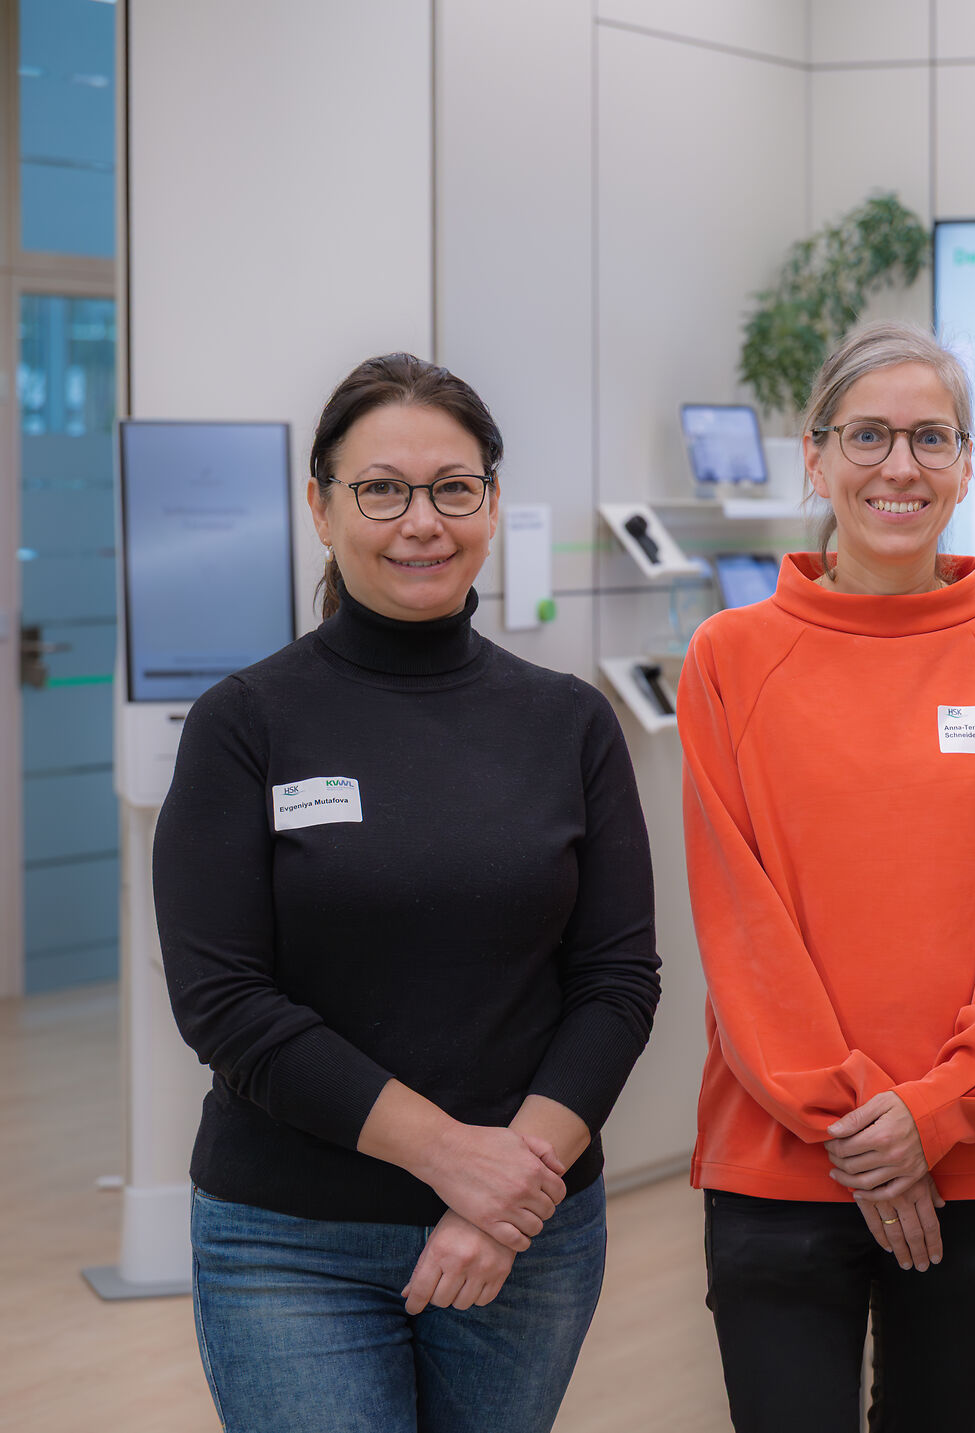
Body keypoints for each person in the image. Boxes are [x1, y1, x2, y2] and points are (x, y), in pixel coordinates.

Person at [156, 353, 662, 1433]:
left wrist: (508, 1190)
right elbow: (225, 1002)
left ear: (489, 500)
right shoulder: (245, 723)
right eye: (381, 488)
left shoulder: (566, 723)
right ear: (320, 506)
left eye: (453, 487)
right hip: (290, 1236)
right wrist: (458, 1160)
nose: (420, 521)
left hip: (531, 1228)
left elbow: (616, 980)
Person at [679, 321, 975, 1433]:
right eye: (867, 434)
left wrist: (938, 1113)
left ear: (966, 465)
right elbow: (739, 925)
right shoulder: (730, 656)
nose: (898, 465)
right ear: (814, 458)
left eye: (929, 437)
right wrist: (873, 1130)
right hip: (777, 1163)